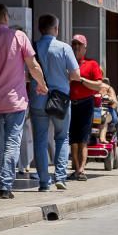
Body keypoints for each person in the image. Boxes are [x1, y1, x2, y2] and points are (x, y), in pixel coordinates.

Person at [0, 4, 48, 198]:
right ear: (6, 17)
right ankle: (5, 186)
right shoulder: (18, 37)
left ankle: (1, 182)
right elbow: (33, 65)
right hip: (15, 101)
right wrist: (41, 83)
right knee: (12, 142)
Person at [30, 14, 80, 191]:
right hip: (60, 99)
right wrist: (63, 78)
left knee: (40, 140)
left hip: (37, 99)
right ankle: (60, 177)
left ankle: (44, 182)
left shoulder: (32, 47)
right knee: (62, 137)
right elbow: (76, 75)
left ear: (39, 29)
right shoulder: (64, 48)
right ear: (56, 29)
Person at [68, 35, 103, 180]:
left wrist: (81, 80)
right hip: (70, 104)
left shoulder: (91, 64)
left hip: (86, 103)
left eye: (79, 44)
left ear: (85, 48)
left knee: (83, 139)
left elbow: (98, 85)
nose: (76, 47)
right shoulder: (68, 63)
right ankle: (76, 169)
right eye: (74, 44)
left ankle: (82, 170)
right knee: (72, 140)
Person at [97, 78, 118, 144]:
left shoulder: (109, 89)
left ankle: (102, 138)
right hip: (95, 110)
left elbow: (115, 104)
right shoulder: (93, 88)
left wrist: (110, 99)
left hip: (107, 111)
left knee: (104, 117)